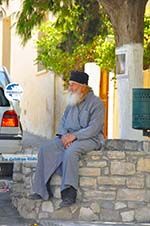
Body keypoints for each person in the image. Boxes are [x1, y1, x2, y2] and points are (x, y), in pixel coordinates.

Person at [30, 70, 105, 207]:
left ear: (83, 86)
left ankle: (69, 193)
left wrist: (74, 136)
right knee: (45, 149)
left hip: (89, 139)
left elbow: (94, 128)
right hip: (68, 137)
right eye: (69, 84)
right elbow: (63, 122)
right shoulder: (72, 101)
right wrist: (65, 136)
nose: (69, 88)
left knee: (71, 152)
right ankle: (41, 189)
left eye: (73, 85)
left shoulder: (96, 103)